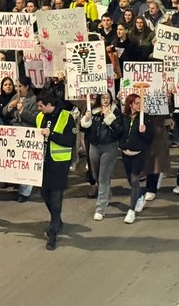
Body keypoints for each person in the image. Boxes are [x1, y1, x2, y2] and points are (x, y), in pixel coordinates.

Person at [37, 92, 77, 250]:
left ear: (48, 105)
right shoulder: (40, 117)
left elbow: (70, 141)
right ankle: (57, 219)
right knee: (44, 193)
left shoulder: (66, 117)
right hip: (43, 162)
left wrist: (51, 135)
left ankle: (53, 232)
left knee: (56, 196)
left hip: (59, 163)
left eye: (41, 106)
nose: (39, 109)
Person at [81, 92, 122, 221]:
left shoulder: (116, 112)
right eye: (103, 98)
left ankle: (100, 208)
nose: (105, 100)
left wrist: (109, 118)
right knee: (96, 174)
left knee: (103, 177)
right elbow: (84, 130)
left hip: (109, 147)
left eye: (107, 98)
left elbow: (119, 131)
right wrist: (86, 119)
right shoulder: (93, 111)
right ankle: (107, 194)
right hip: (94, 146)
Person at [117, 93, 153, 224]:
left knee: (134, 178)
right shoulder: (123, 117)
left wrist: (144, 133)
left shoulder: (146, 118)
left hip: (139, 153)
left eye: (140, 103)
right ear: (130, 104)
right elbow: (118, 132)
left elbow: (150, 137)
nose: (139, 106)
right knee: (130, 180)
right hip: (125, 152)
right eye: (136, 103)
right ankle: (139, 196)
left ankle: (131, 210)